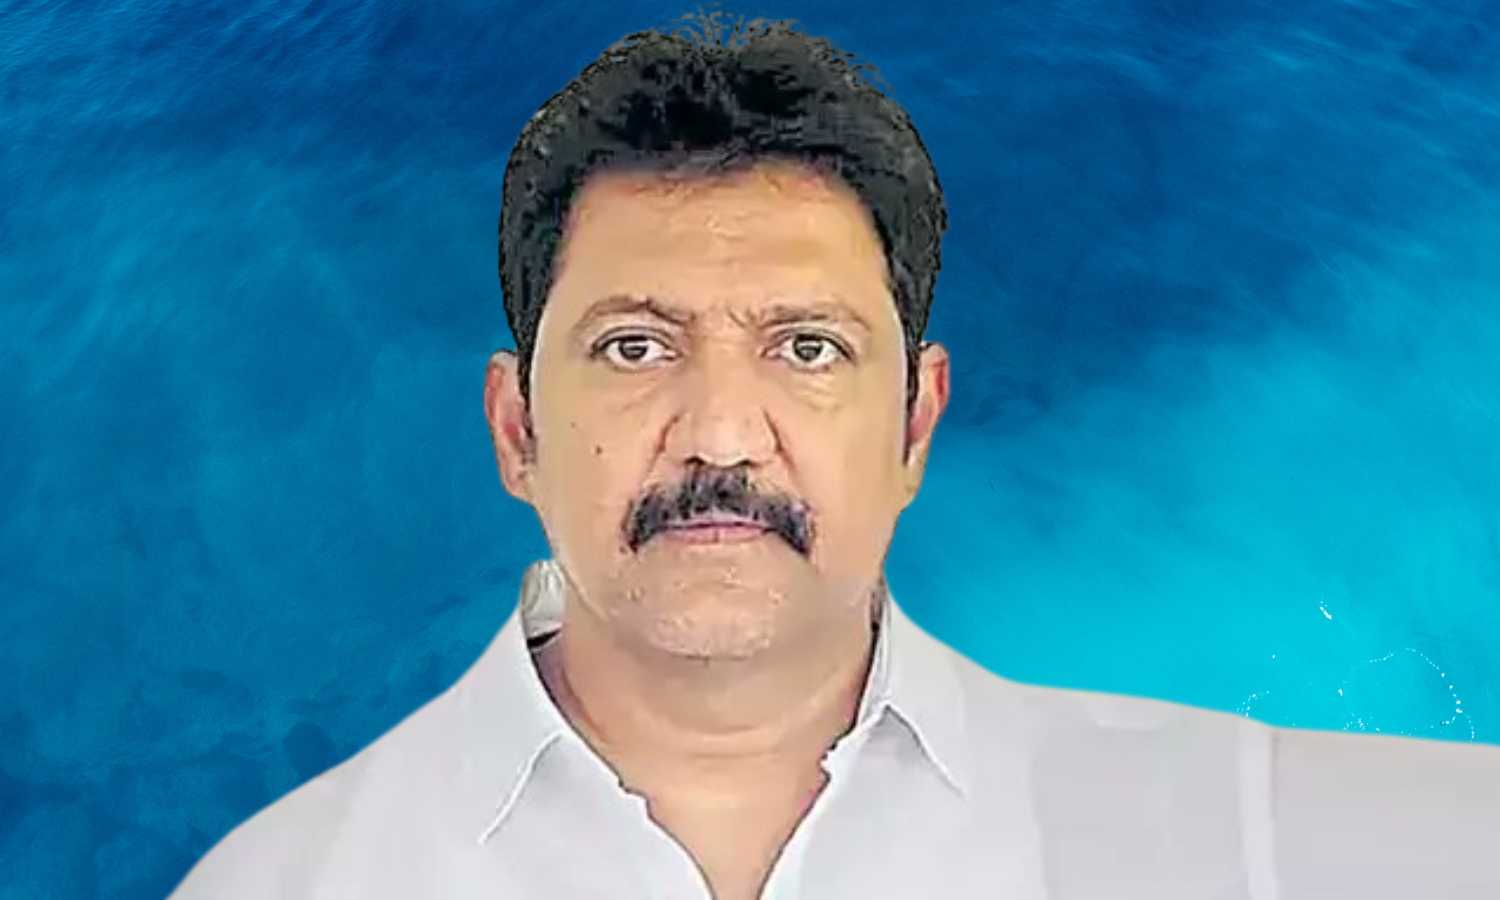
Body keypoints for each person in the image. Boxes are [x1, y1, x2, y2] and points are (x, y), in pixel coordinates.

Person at [170, 14, 1500, 900]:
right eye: (635, 347)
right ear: (516, 427)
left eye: (806, 347)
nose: (720, 433)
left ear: (916, 423)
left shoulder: (1219, 836)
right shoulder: (287, 884)